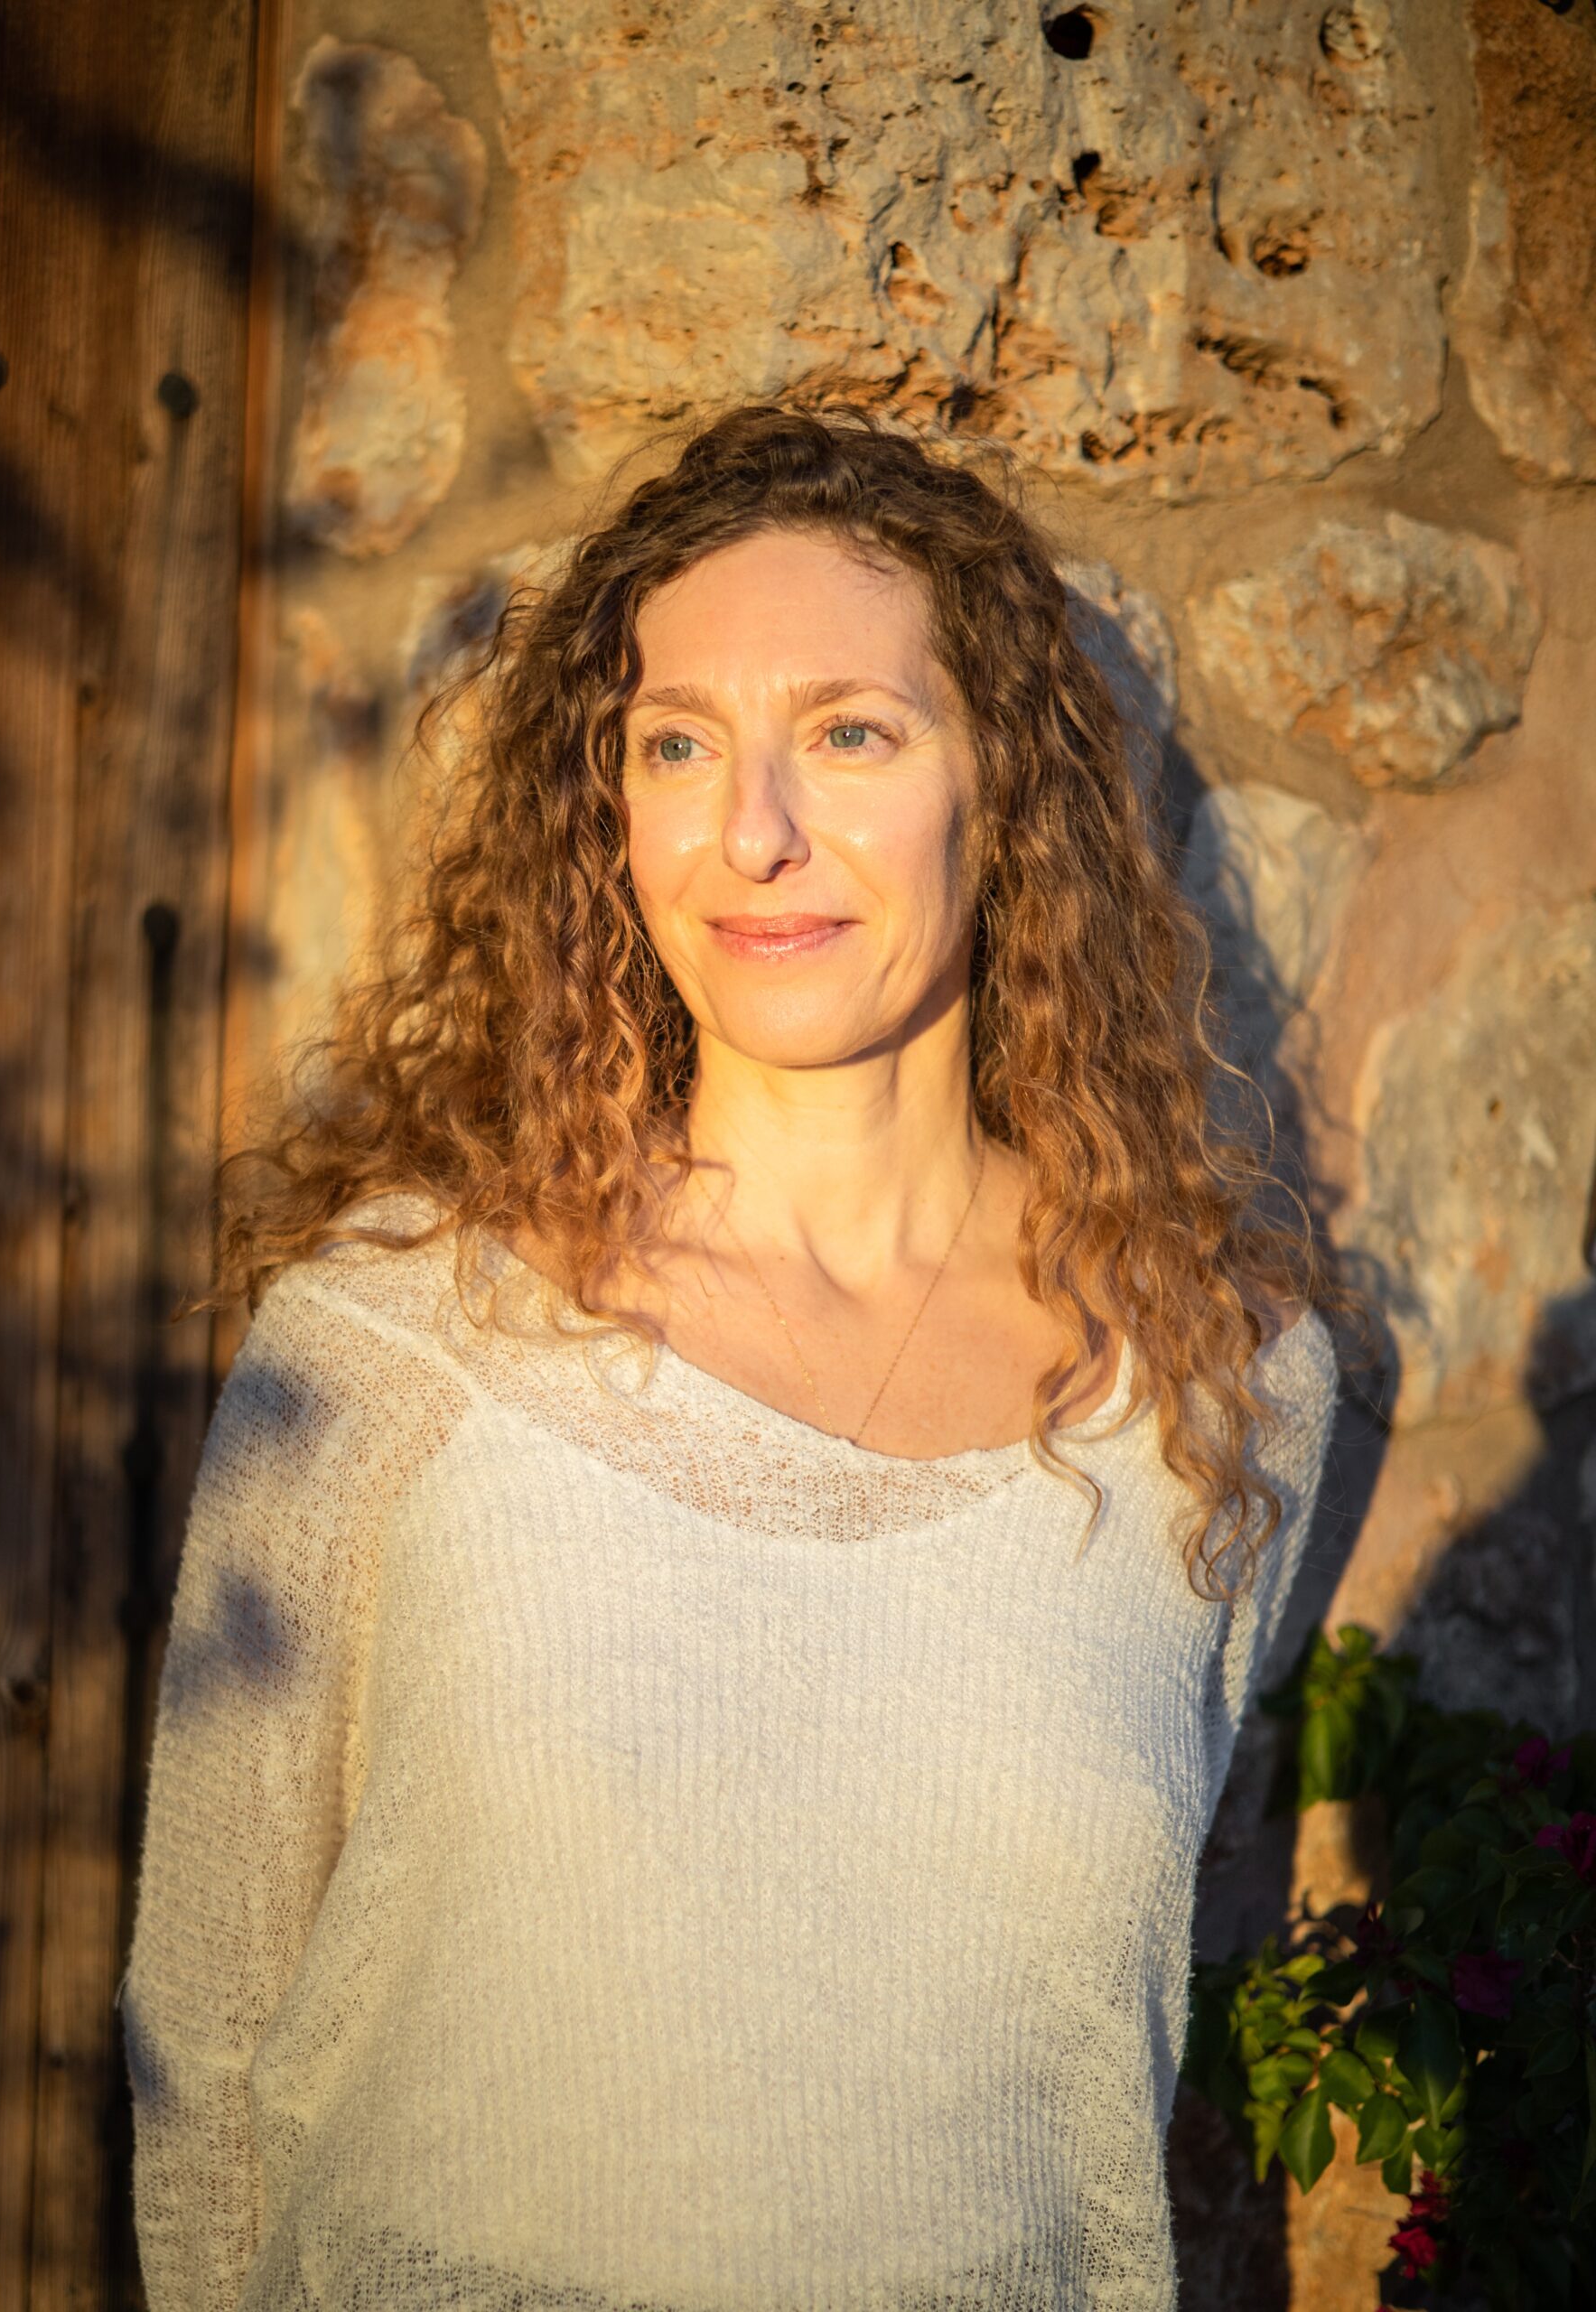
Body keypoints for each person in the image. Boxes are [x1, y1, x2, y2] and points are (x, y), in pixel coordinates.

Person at [122, 404, 1349, 2312]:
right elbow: (200, 2037)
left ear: (1001, 791)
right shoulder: (387, 1336)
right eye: (676, 744)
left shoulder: (1217, 1389)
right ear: (604, 807)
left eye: (849, 733)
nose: (751, 833)